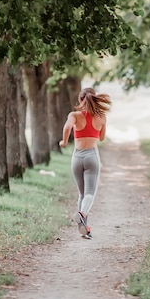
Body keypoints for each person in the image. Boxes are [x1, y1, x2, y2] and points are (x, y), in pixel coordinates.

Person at [59, 87, 111, 239]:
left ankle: (84, 229)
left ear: (80, 100)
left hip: (77, 157)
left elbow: (67, 127)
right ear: (94, 100)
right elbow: (101, 138)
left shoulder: (74, 115)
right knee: (89, 193)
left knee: (82, 194)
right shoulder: (101, 116)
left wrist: (64, 141)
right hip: (91, 156)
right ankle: (82, 214)